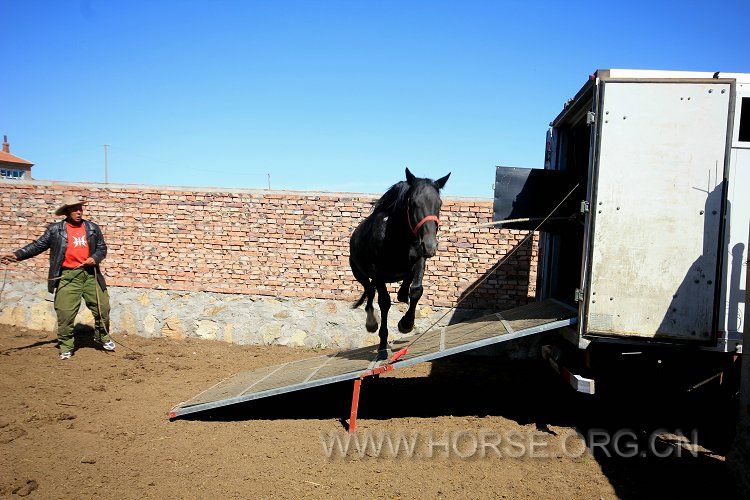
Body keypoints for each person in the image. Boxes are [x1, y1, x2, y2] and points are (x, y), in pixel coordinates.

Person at [1, 195, 115, 360]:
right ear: (67, 212)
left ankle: (102, 337)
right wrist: (16, 255)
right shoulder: (56, 229)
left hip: (91, 275)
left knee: (102, 308)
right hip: (68, 276)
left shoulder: (92, 228)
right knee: (65, 314)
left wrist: (95, 258)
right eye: (75, 209)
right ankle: (66, 346)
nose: (79, 212)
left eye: (80, 209)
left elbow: (101, 248)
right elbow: (38, 245)